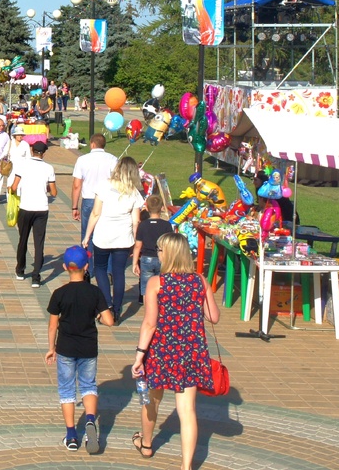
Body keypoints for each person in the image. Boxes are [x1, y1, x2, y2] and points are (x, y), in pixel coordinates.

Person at [131, 233, 220, 467]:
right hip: (191, 351)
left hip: (161, 351)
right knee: (187, 410)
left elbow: (150, 324)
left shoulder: (157, 283)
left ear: (168, 254)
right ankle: (186, 465)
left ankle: (146, 444)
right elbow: (213, 316)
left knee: (151, 399)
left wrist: (139, 356)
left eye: (160, 250)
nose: (158, 254)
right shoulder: (199, 280)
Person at [46, 245, 114, 453]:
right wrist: (98, 315)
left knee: (67, 389)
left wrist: (51, 348)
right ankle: (91, 420)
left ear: (65, 267)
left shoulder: (59, 294)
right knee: (88, 385)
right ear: (86, 267)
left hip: (65, 348)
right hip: (88, 347)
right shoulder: (95, 292)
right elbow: (109, 321)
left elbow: (52, 325)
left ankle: (71, 435)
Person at [82, 156, 144, 321]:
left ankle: (107, 304)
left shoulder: (103, 186)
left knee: (100, 269)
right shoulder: (134, 193)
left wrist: (87, 236)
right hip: (123, 238)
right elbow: (136, 221)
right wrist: (136, 241)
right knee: (118, 273)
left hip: (103, 236)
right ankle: (116, 310)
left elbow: (95, 213)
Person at [11, 140, 57, 288]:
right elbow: (54, 192)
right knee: (39, 242)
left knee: (23, 240)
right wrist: (45, 188)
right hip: (41, 209)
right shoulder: (49, 168)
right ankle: (36, 277)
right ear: (44, 153)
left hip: (25, 208)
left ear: (32, 151)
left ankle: (20, 270)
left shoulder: (23, 164)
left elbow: (14, 186)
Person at [70, 133, 118, 243]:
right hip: (106, 200)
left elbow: (77, 185)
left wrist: (74, 207)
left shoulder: (82, 159)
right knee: (105, 233)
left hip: (89, 199)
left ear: (92, 144)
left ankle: (87, 253)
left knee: (87, 233)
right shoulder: (113, 159)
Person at [133, 195, 173, 303]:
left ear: (146, 208)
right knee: (162, 284)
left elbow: (138, 245)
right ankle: (160, 305)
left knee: (146, 287)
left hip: (146, 258)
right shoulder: (166, 225)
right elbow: (170, 245)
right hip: (162, 259)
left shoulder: (142, 225)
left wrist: (135, 262)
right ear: (162, 208)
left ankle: (148, 308)